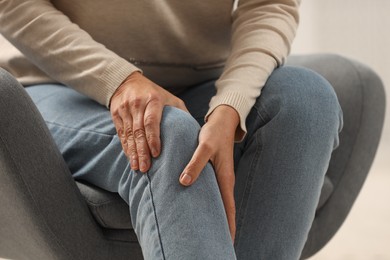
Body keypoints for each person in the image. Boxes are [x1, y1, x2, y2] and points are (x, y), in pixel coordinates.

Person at [0, 0, 342, 259]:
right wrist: (119, 80)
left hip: (204, 80)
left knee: (308, 100)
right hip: (61, 81)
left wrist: (231, 104)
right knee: (161, 133)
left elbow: (269, 4)